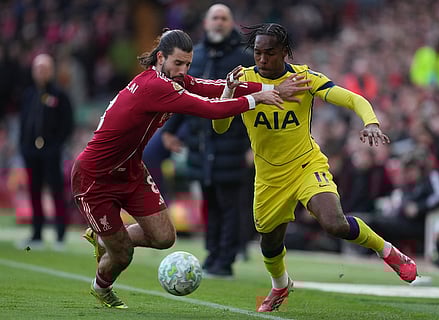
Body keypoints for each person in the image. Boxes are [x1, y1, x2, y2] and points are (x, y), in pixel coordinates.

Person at [71, 28, 302, 309]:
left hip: (131, 170)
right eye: (177, 63)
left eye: (188, 64)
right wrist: (258, 99)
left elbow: (214, 88)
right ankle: (101, 287)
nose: (183, 70)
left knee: (165, 237)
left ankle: (104, 235)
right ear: (160, 58)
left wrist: (273, 88)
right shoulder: (154, 86)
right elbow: (211, 109)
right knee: (121, 255)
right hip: (95, 177)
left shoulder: (171, 79)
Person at [212, 23, 418, 313]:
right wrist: (228, 93)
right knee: (269, 243)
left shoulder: (304, 78)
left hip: (306, 165)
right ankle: (280, 285)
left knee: (334, 223)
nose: (261, 59)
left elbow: (352, 98)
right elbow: (219, 127)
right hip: (269, 176)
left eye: (269, 53)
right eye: (257, 53)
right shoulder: (242, 80)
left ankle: (387, 250)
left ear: (285, 52)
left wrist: (370, 121)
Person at [155, 3, 257, 278]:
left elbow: (253, 103)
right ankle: (212, 255)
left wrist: (251, 146)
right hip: (201, 142)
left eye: (224, 18)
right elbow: (181, 93)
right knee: (208, 202)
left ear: (231, 23)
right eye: (215, 18)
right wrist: (170, 130)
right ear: (206, 22)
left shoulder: (244, 58)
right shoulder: (195, 56)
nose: (219, 22)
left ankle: (225, 260)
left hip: (232, 141)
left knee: (230, 202)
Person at [18, 53, 74, 250]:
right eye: (37, 68)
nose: (40, 72)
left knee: (56, 190)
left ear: (51, 71)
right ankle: (36, 234)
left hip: (51, 151)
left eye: (44, 68)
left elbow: (68, 124)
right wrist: (23, 146)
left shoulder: (59, 95)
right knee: (34, 191)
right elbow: (24, 122)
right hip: (30, 151)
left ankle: (60, 234)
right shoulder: (28, 94)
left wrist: (56, 145)